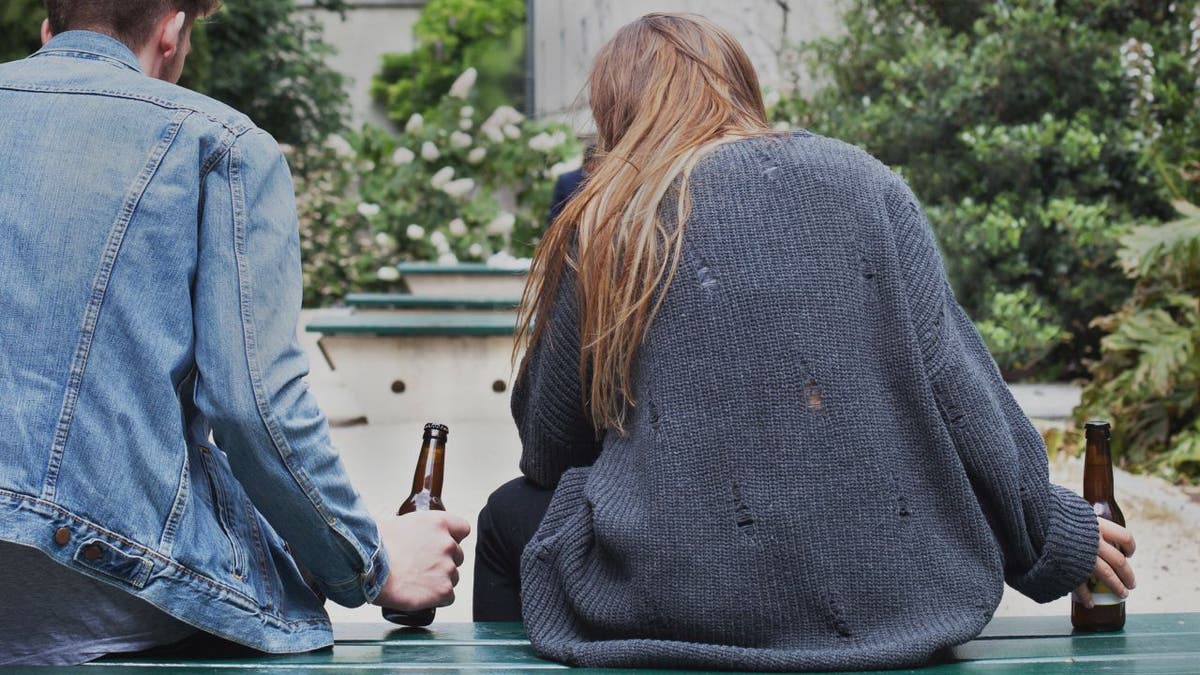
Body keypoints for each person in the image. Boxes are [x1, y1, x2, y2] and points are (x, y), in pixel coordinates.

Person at [475, 13, 1136, 671]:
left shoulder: (607, 217)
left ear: (613, 110)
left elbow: (550, 449)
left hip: (676, 596)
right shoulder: (867, 182)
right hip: (893, 600)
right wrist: (1050, 536)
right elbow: (961, 396)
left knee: (507, 515)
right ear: (740, 86)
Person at [0, 1, 469, 665]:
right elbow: (254, 408)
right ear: (170, 30)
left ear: (51, 31)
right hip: (104, 587)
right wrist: (372, 562)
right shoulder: (216, 143)